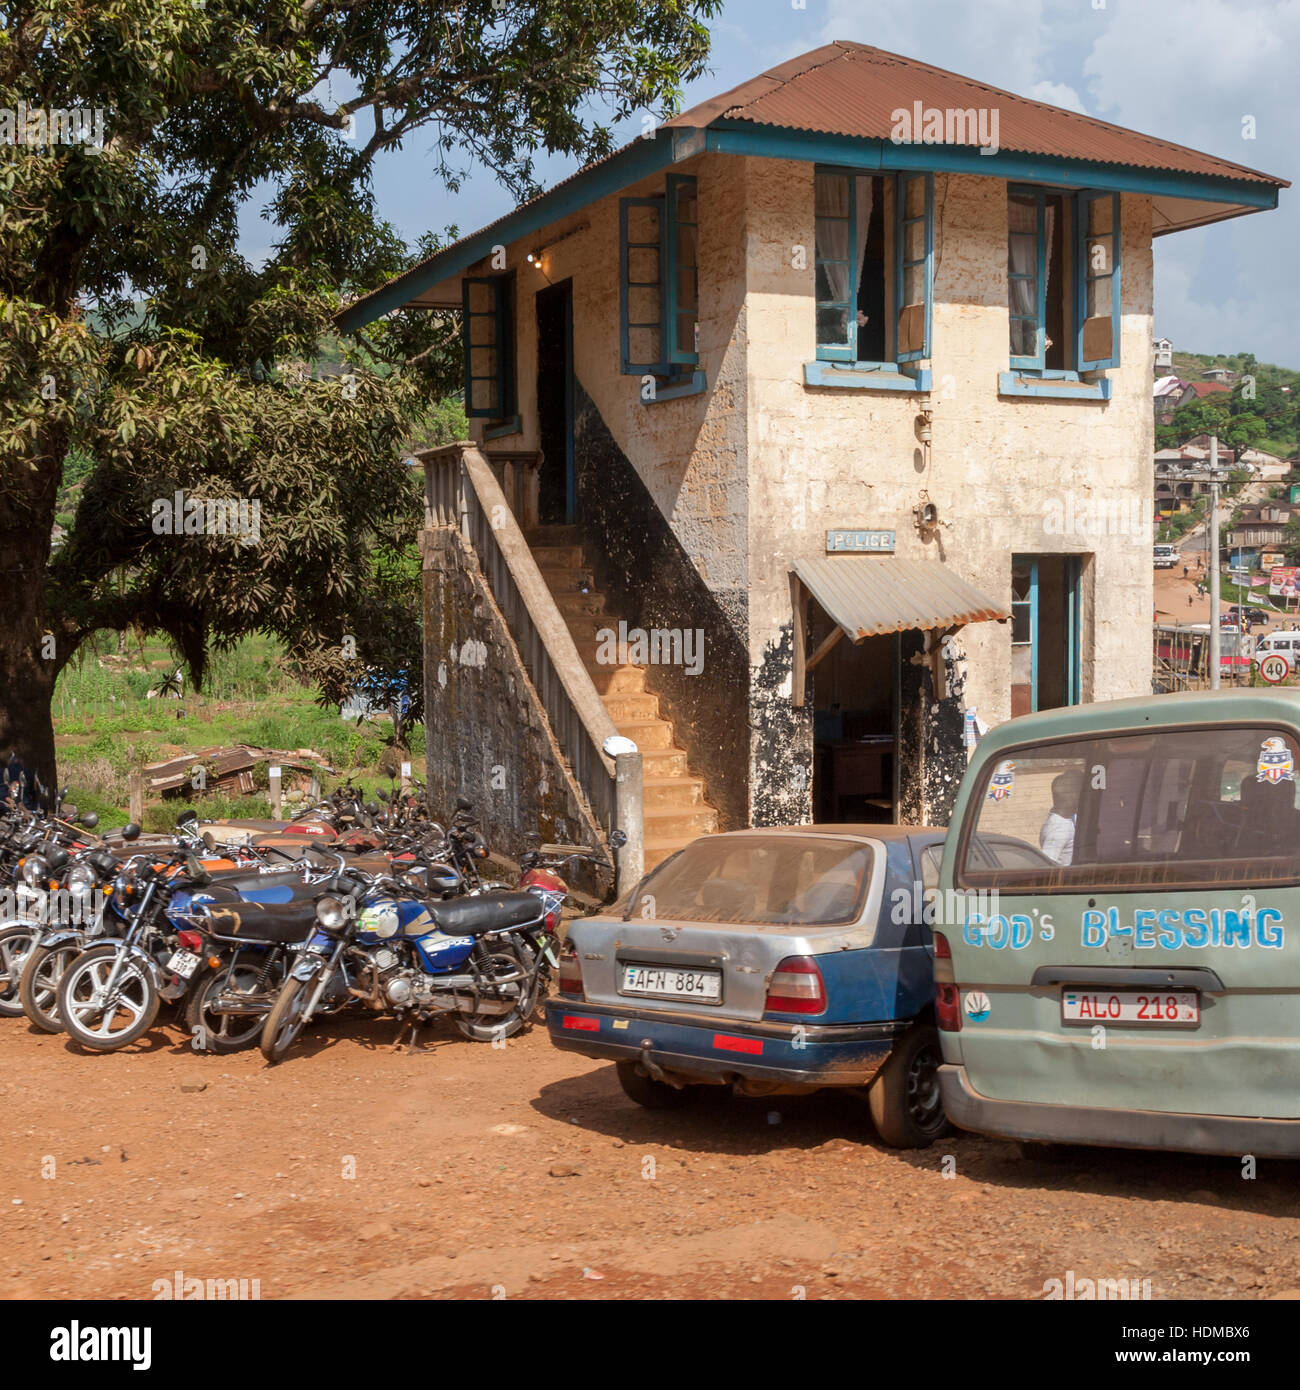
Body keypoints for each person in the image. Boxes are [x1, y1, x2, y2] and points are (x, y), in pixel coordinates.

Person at [1040, 769, 1084, 866]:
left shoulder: (1068, 818)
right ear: (1073, 797)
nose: (1084, 797)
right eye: (1081, 793)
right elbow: (1047, 865)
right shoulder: (1058, 830)